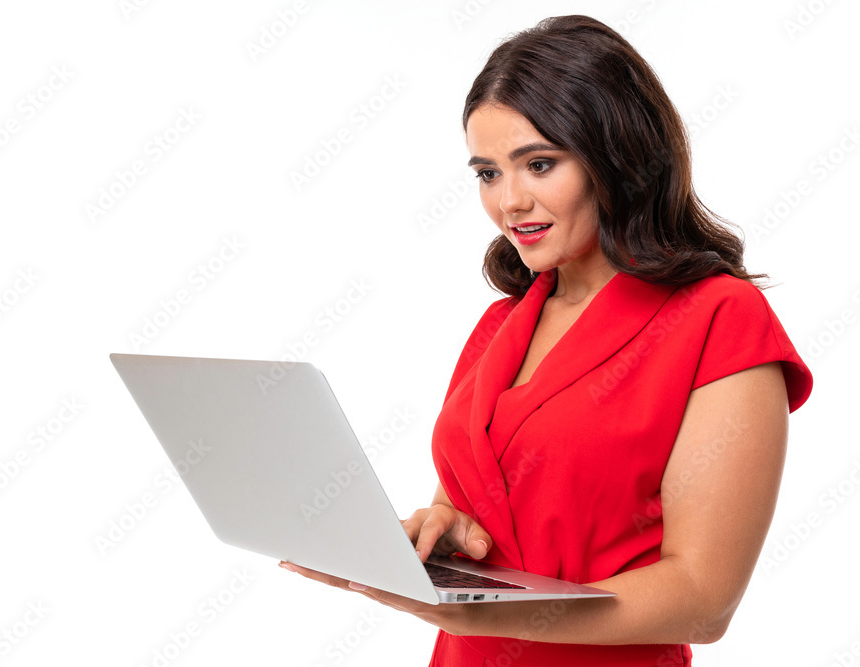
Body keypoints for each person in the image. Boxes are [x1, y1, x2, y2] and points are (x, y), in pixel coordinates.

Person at [280, 14, 812, 666]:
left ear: (617, 158)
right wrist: (442, 532)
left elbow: (703, 597)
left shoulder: (719, 320)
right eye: (488, 173)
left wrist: (469, 608)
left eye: (538, 164)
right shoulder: (500, 326)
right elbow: (472, 506)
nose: (510, 202)